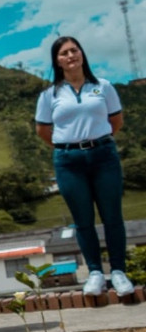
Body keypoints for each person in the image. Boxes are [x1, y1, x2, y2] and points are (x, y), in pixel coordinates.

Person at [34, 36, 133, 297]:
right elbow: (42, 130)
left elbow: (116, 120)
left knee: (112, 216)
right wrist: (67, 145)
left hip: (104, 156)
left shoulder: (103, 86)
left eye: (74, 50)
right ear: (57, 61)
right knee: (83, 220)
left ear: (82, 54)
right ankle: (95, 273)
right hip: (69, 161)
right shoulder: (49, 95)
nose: (70, 56)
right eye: (64, 53)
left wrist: (96, 139)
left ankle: (119, 272)